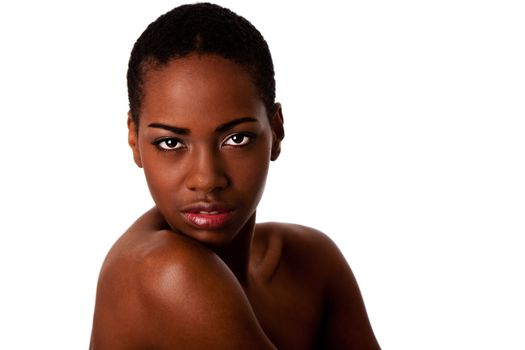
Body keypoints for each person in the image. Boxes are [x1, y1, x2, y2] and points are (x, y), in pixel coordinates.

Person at [90, 3, 380, 349]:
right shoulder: (163, 271)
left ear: (276, 131)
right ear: (134, 140)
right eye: (170, 142)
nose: (207, 178)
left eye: (236, 139)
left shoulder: (311, 261)